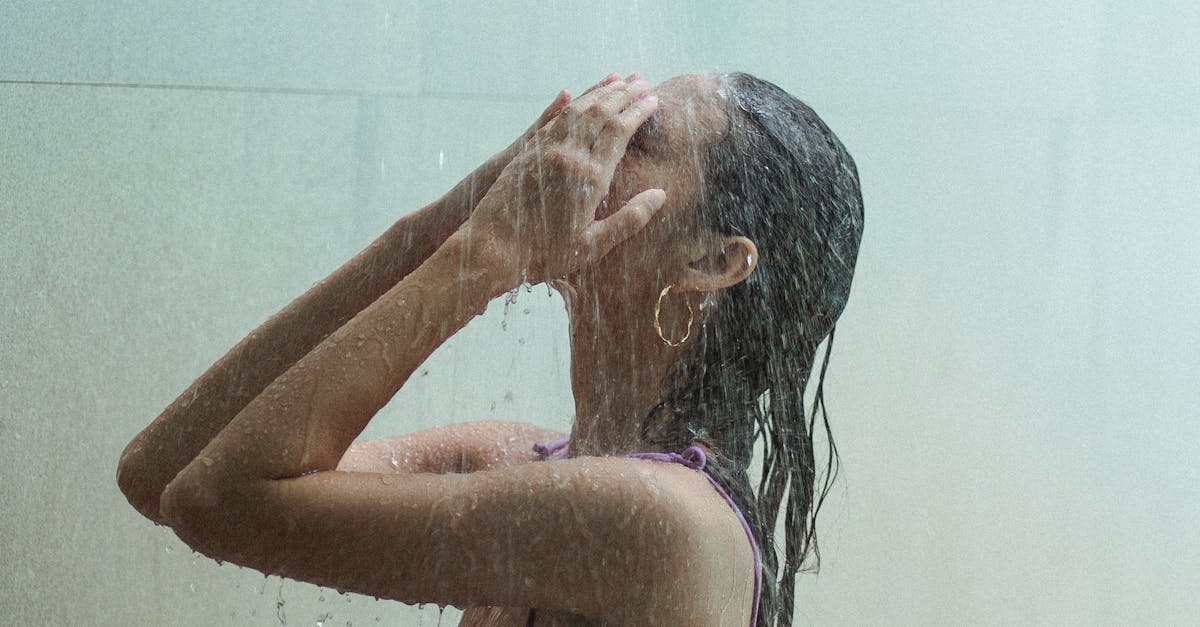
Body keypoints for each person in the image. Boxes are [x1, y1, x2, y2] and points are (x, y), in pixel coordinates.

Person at [118, 71, 864, 626]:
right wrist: (448, 222)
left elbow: (215, 500)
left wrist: (487, 253)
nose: (580, 149)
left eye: (636, 139)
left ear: (710, 262)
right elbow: (166, 474)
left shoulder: (660, 517)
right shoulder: (517, 458)